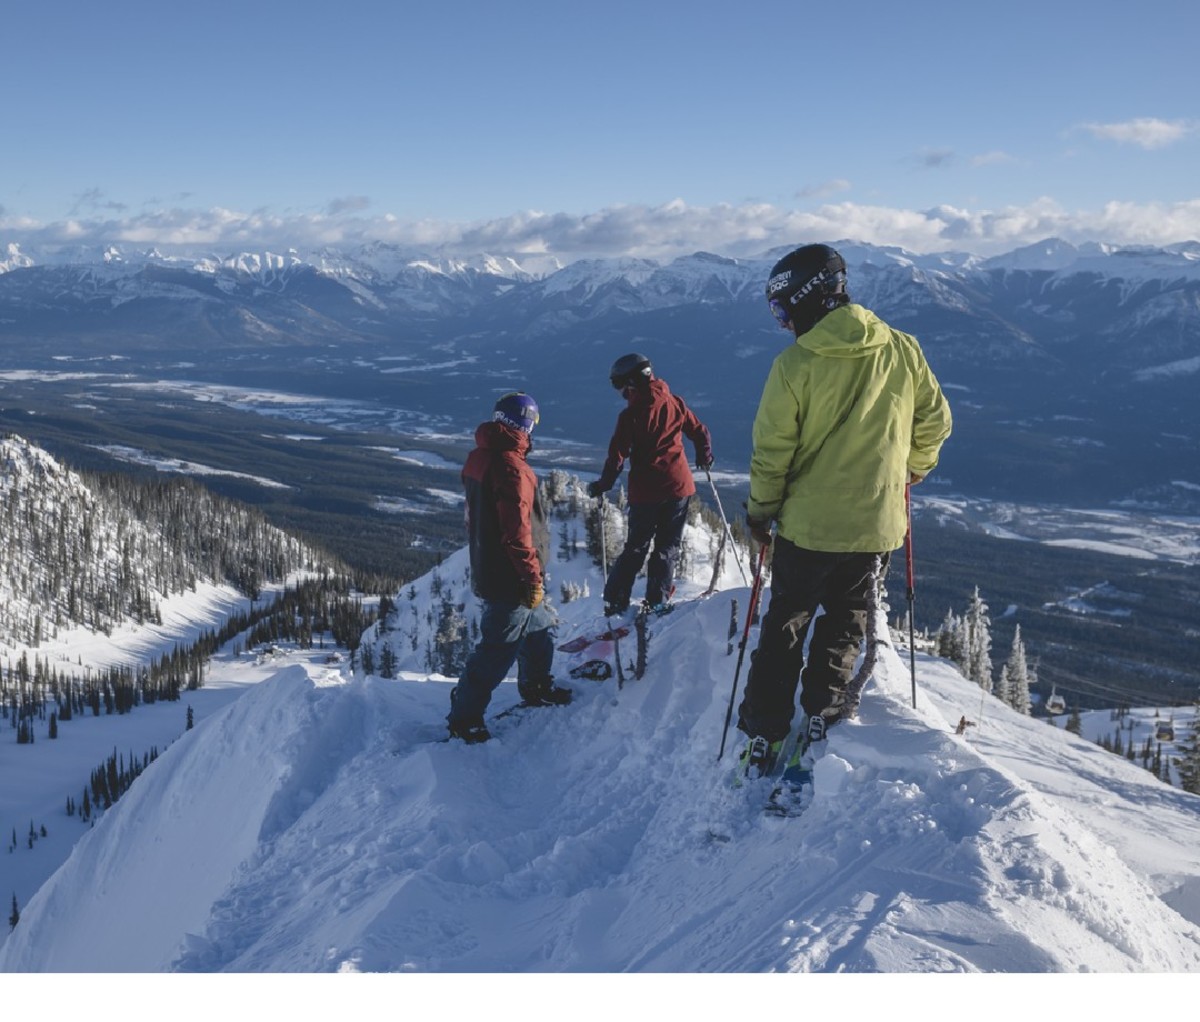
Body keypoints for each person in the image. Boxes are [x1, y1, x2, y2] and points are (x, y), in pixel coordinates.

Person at [736, 243, 952, 771]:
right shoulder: (901, 348)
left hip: (807, 528)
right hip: (875, 527)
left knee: (787, 621)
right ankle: (824, 712)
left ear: (808, 298)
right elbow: (936, 420)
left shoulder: (795, 365)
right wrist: (912, 468)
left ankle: (765, 727)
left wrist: (760, 513)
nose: (782, 323)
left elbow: (772, 453)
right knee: (846, 621)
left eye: (782, 310)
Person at [446, 391, 571, 744]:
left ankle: (536, 687)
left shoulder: (479, 457)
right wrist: (531, 576)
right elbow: (518, 532)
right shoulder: (513, 468)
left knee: (539, 631)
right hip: (510, 575)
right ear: (527, 424)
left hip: (490, 564)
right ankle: (464, 717)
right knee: (497, 650)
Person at [586, 354, 714, 617]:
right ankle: (658, 600)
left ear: (632, 382)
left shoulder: (630, 416)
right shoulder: (674, 402)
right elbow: (699, 430)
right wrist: (704, 455)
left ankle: (615, 600)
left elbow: (617, 458)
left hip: (647, 492)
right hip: (679, 487)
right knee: (668, 546)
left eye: (621, 386)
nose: (621, 392)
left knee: (636, 546)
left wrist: (603, 485)